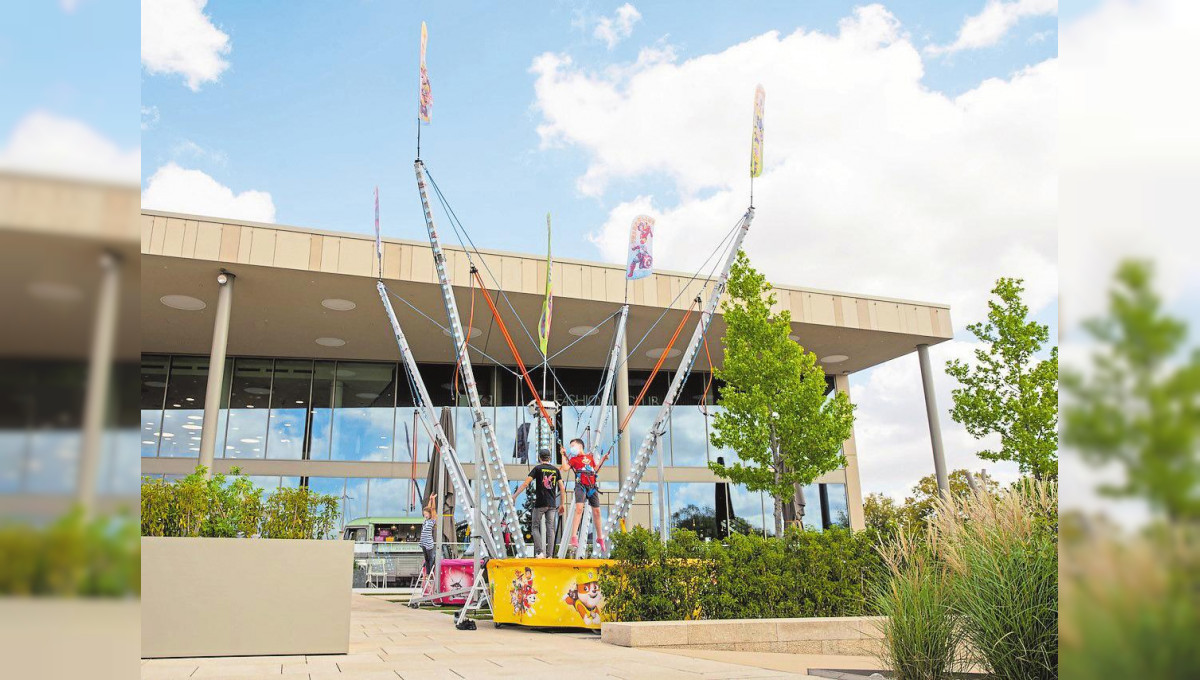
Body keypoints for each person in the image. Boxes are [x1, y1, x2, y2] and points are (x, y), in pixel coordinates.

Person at [514, 448, 565, 557]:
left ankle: (539, 552)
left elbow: (525, 484)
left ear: (539, 458)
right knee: (550, 529)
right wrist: (562, 504)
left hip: (540, 504)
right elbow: (562, 487)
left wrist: (515, 495)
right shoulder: (556, 470)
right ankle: (550, 555)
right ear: (549, 458)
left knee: (535, 527)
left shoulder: (537, 468)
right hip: (552, 504)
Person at [563, 437, 609, 553]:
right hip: (581, 485)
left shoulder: (589, 457)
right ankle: (574, 536)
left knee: (597, 512)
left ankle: (599, 537)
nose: (571, 448)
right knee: (579, 509)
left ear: (580, 446)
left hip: (592, 485)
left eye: (573, 446)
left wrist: (603, 459)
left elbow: (595, 469)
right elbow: (565, 468)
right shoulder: (573, 459)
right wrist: (563, 455)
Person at [419, 506, 436, 578]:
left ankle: (431, 573)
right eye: (424, 514)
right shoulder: (425, 522)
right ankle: (427, 573)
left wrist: (432, 499)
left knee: (430, 558)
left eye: (426, 514)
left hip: (429, 542)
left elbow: (433, 510)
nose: (425, 515)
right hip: (423, 541)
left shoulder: (432, 521)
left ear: (429, 514)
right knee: (426, 558)